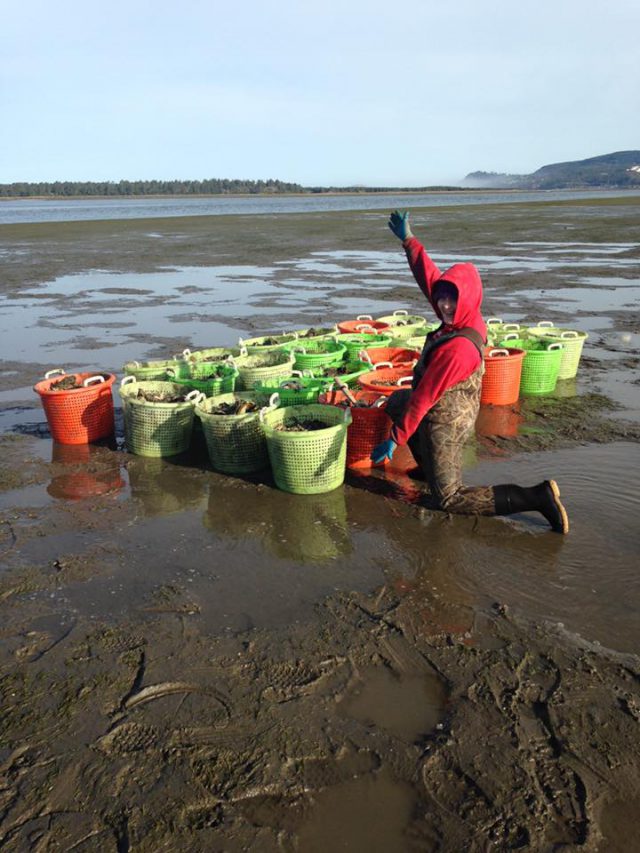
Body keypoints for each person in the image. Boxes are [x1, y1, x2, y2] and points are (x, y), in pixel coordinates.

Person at [370, 210, 569, 534]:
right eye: (442, 298)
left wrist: (395, 439)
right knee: (396, 402)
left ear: (467, 299)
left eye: (451, 300)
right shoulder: (464, 314)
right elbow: (430, 278)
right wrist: (409, 241)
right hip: (447, 402)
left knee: (449, 497)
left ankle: (536, 497)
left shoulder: (457, 348)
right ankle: (429, 468)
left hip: (446, 418)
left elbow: (424, 399)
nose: (444, 305)